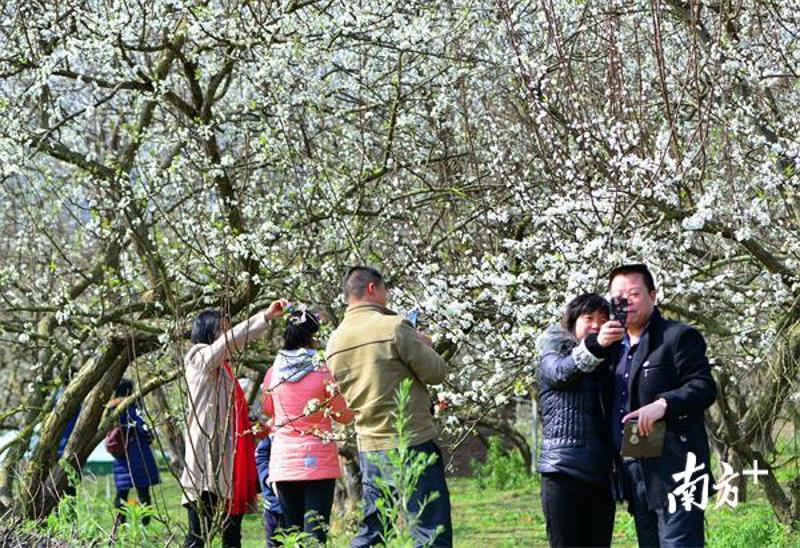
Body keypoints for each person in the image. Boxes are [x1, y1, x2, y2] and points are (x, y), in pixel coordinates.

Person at [325, 266, 452, 547]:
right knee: (430, 529)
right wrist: (423, 343)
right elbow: (436, 372)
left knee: (375, 527)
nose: (387, 296)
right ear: (373, 289)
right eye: (385, 289)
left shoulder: (334, 341)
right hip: (412, 438)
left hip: (370, 445)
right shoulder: (395, 327)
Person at [591, 264, 717, 547]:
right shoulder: (613, 347)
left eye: (633, 294)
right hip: (634, 466)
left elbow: (704, 387)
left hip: (675, 465)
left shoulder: (677, 337)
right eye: (618, 296)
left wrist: (663, 404)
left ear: (653, 295)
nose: (625, 302)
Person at [181, 300, 287, 548]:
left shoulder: (224, 370)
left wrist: (255, 425)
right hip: (206, 461)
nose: (226, 335)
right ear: (209, 332)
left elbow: (231, 411)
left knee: (232, 536)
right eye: (222, 329)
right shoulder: (199, 358)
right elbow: (228, 343)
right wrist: (265, 317)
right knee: (197, 536)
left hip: (230, 462)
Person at [262, 307, 354, 543]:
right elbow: (344, 416)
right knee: (315, 534)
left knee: (292, 534)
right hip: (318, 463)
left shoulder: (273, 373)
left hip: (284, 464)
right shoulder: (322, 370)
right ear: (312, 337)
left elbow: (268, 410)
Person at [536, 293, 617, 547]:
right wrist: (594, 346)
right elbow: (560, 373)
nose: (596, 325)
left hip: (601, 473)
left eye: (603, 320)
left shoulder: (610, 360)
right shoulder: (553, 349)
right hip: (563, 470)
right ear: (572, 321)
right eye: (589, 318)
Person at [109, 378, 160, 527]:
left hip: (120, 457)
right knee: (143, 493)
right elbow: (144, 430)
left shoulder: (112, 410)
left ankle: (120, 526)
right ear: (129, 391)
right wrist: (149, 436)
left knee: (122, 494)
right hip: (138, 454)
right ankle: (144, 526)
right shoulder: (133, 408)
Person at [254, 436, 284, 547]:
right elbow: (260, 456)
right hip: (273, 505)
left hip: (299, 501)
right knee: (273, 542)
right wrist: (268, 478)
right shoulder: (271, 432)